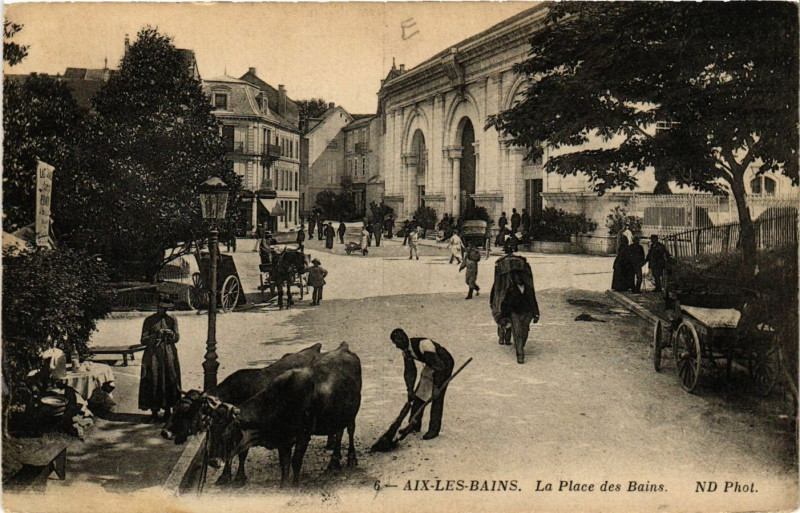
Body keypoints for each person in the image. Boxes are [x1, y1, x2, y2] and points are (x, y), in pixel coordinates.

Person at [391, 328, 454, 441]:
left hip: (444, 364)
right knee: (420, 394)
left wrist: (436, 387)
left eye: (397, 343)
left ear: (404, 338)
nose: (396, 346)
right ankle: (414, 424)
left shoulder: (424, 345)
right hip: (431, 364)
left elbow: (439, 367)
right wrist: (410, 390)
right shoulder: (406, 351)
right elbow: (410, 371)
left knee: (437, 397)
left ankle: (434, 429)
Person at [139, 295, 181, 423]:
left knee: (169, 379)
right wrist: (156, 335)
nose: (164, 310)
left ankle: (168, 411)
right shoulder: (149, 320)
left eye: (166, 308)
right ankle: (154, 412)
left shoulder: (172, 319)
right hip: (153, 354)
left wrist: (172, 334)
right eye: (162, 307)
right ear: (157, 306)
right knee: (154, 380)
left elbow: (177, 338)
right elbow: (143, 340)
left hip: (169, 353)